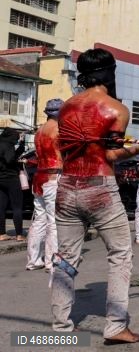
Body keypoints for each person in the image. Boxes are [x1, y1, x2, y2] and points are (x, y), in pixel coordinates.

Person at [53, 47, 139, 344]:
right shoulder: (116, 109)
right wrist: (138, 148)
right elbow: (110, 154)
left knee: (65, 258)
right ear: (110, 73)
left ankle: (60, 328)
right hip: (99, 187)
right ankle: (115, 326)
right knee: (120, 254)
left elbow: (68, 147)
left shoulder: (67, 107)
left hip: (67, 185)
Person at [26, 98, 63, 270]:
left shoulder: (39, 131)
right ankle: (51, 260)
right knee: (53, 221)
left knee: (39, 219)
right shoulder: (59, 130)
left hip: (39, 176)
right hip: (53, 176)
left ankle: (33, 260)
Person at [0, 128, 26, 242]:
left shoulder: (1, 143)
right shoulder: (7, 145)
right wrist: (20, 162)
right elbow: (10, 159)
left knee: (1, 207)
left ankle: (1, 234)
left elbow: (12, 156)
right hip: (11, 179)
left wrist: (22, 143)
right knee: (17, 207)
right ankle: (19, 234)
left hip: (0, 179)